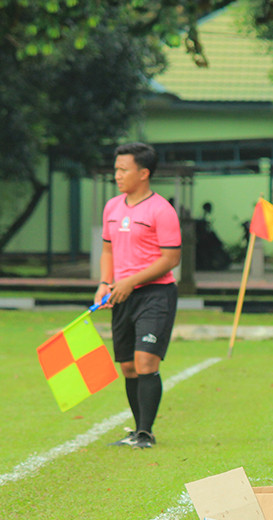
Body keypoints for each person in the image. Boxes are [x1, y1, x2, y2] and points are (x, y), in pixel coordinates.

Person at [96, 142, 182, 450]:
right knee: (128, 366)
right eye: (116, 169)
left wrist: (130, 281)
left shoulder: (162, 210)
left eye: (123, 169)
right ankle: (136, 430)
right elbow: (107, 249)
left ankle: (145, 432)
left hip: (155, 295)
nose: (117, 175)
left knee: (146, 361)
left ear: (143, 173)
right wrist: (106, 282)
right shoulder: (112, 207)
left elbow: (171, 258)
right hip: (120, 295)